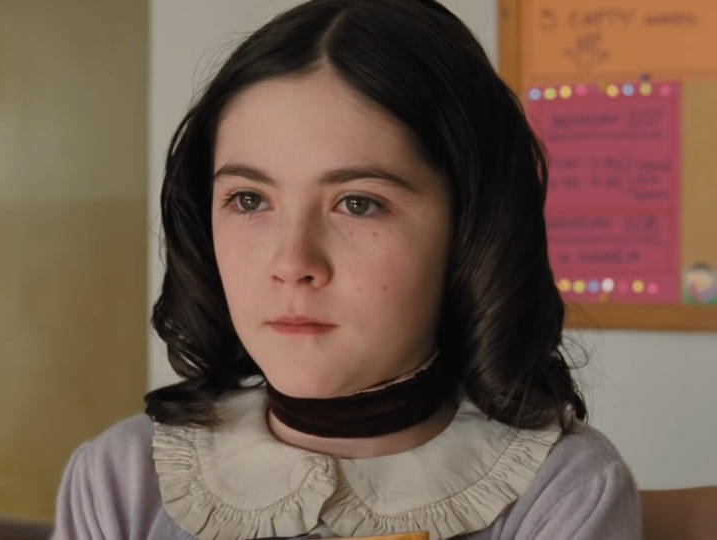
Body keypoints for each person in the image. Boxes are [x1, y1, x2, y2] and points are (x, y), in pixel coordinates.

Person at [52, 0, 642, 538]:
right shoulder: (119, 479)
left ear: (470, 228)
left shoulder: (563, 493)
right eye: (250, 200)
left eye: (358, 203)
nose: (292, 264)